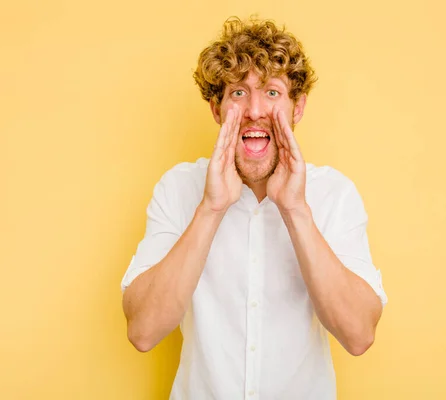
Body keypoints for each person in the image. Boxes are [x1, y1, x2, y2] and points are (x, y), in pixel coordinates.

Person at [121, 17, 388, 400]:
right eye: (239, 93)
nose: (255, 110)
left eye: (273, 92)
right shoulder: (179, 189)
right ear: (216, 108)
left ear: (298, 108)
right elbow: (143, 331)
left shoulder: (335, 194)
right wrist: (211, 209)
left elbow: (359, 335)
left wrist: (295, 210)